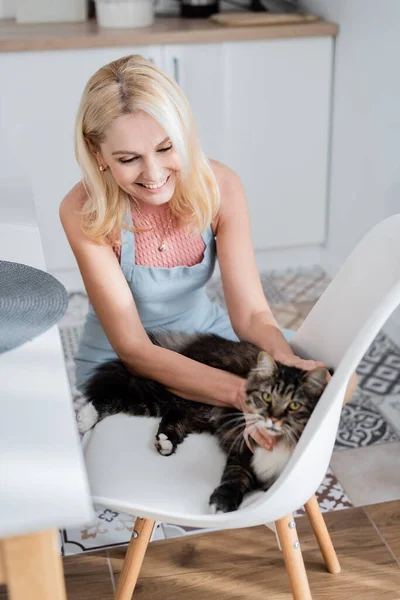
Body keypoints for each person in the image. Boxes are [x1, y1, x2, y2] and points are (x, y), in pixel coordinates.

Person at [60, 54, 356, 450]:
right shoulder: (83, 210)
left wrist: (285, 364)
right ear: (98, 156)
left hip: (204, 335)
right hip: (128, 359)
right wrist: (241, 395)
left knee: (343, 382)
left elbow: (251, 315)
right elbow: (134, 348)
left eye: (166, 148)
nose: (153, 173)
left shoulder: (221, 186)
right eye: (128, 159)